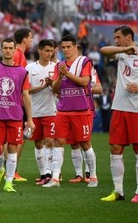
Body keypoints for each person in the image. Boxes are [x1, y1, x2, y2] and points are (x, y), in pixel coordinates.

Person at [45, 34, 98, 188]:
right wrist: (60, 78)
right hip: (63, 110)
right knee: (58, 142)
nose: (66, 50)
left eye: (69, 47)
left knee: (85, 143)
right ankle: (55, 178)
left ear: (75, 47)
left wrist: (67, 74)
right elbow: (55, 89)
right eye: (63, 47)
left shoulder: (84, 61)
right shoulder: (59, 65)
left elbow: (85, 82)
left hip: (81, 110)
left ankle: (93, 176)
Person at [100, 26, 138, 203]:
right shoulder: (121, 53)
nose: (116, 41)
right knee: (115, 148)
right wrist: (124, 49)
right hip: (119, 107)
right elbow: (104, 51)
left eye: (118, 37)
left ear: (129, 37)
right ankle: (118, 191)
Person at [0, 37, 35, 192]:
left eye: (11, 48)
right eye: (5, 48)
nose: (8, 51)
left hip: (15, 117)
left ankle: (8, 183)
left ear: (14, 50)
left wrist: (30, 119)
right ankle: (0, 170)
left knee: (12, 148)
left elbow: (26, 96)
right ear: (1, 50)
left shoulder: (22, 72)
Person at [68, 45, 102, 184]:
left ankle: (89, 173)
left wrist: (84, 88)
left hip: (85, 109)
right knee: (73, 143)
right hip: (69, 108)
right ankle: (78, 174)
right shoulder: (64, 67)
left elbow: (99, 88)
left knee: (84, 141)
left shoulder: (89, 70)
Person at [26, 39, 56, 185]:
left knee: (50, 141)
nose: (49, 54)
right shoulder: (30, 68)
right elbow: (25, 90)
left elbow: (60, 90)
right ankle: (43, 173)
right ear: (39, 50)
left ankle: (50, 173)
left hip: (52, 111)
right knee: (38, 143)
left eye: (51, 51)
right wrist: (43, 86)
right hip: (35, 111)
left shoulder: (56, 67)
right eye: (47, 51)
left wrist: (53, 85)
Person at [12, 27, 33, 182]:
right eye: (30, 37)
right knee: (20, 138)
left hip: (15, 101)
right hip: (18, 103)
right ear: (25, 39)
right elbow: (15, 77)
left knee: (16, 138)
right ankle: (12, 171)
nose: (32, 40)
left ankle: (8, 169)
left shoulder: (20, 55)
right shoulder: (19, 55)